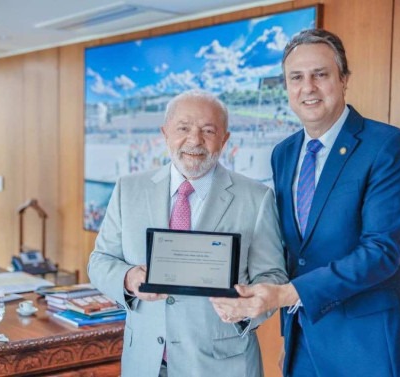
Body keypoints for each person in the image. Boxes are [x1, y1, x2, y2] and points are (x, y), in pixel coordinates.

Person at [210, 29, 400, 377]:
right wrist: (287, 337)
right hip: (304, 341)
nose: (307, 87)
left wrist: (285, 294)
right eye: (296, 77)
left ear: (343, 80)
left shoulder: (388, 146)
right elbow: (296, 251)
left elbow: (381, 252)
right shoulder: (284, 153)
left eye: (320, 75)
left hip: (369, 347)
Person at [87, 89, 288, 377]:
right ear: (165, 133)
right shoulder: (128, 189)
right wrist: (129, 278)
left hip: (222, 365)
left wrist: (247, 305)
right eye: (183, 128)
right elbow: (100, 260)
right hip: (144, 363)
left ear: (225, 139)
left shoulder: (256, 198)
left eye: (208, 130)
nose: (195, 140)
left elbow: (273, 276)